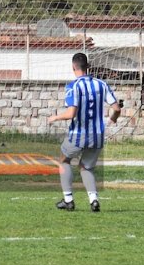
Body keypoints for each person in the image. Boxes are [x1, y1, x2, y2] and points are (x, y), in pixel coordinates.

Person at [47, 52, 121, 212]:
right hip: (98, 136)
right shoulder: (102, 84)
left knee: (64, 161)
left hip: (79, 135)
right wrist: (112, 119)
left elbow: (71, 114)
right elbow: (116, 108)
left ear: (73, 67)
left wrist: (55, 118)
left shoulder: (73, 86)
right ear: (88, 66)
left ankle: (68, 200)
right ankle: (93, 200)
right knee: (86, 167)